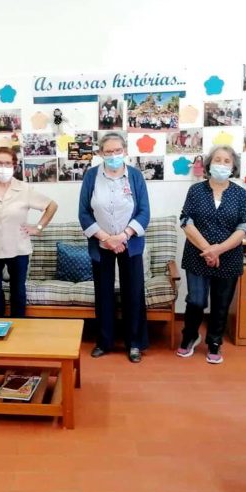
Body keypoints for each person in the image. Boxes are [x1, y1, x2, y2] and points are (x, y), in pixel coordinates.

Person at [79, 132, 150, 363]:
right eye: (108, 151)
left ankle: (135, 343)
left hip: (130, 242)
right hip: (101, 243)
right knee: (103, 293)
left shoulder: (135, 176)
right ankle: (104, 341)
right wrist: (106, 238)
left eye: (117, 150)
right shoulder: (91, 176)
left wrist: (123, 236)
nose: (113, 155)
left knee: (133, 292)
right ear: (101, 153)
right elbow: (84, 213)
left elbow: (144, 212)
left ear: (125, 151)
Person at [176, 146, 246, 364]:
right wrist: (207, 249)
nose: (222, 164)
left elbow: (244, 227)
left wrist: (218, 249)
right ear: (209, 164)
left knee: (221, 303)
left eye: (227, 161)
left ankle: (215, 342)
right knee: (196, 300)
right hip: (197, 254)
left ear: (233, 167)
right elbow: (186, 221)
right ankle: (190, 336)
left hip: (229, 256)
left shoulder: (240, 194)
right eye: (217, 160)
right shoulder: (196, 190)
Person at [0, 146, 58, 317]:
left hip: (18, 249)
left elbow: (51, 206)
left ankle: (18, 326)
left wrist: (38, 228)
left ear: (14, 166)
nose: (3, 167)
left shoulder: (24, 189)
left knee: (18, 290)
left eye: (7, 163)